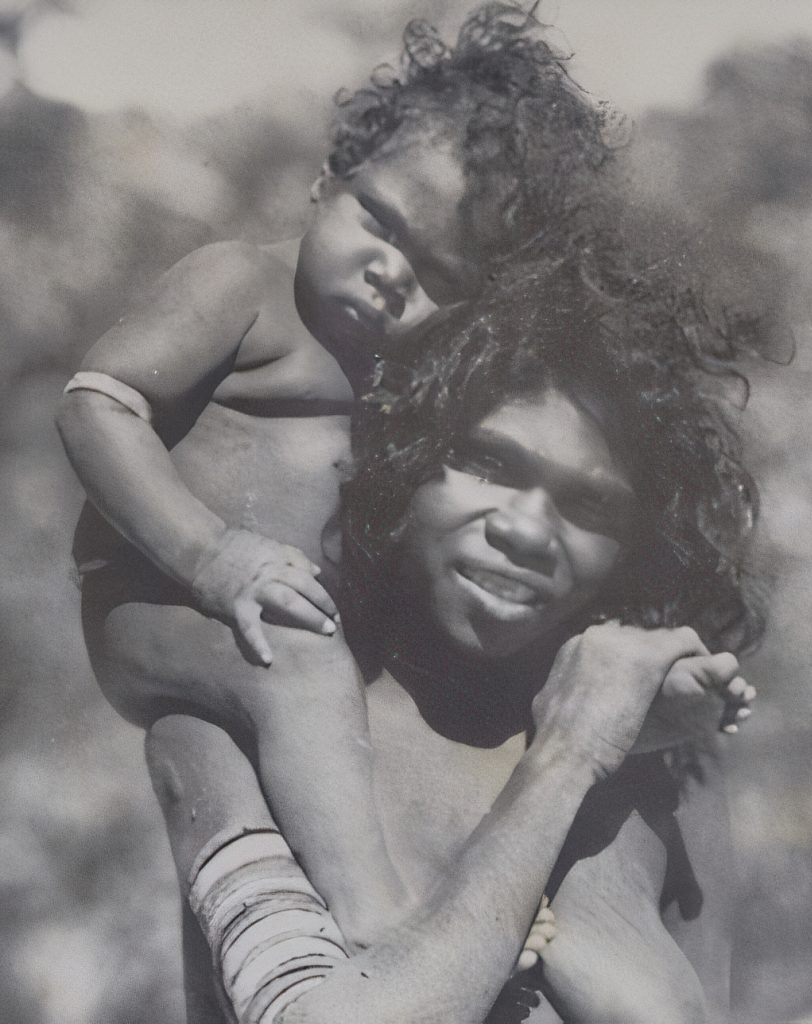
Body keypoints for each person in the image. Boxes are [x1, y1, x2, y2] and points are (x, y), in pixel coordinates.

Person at [55, 2, 625, 947]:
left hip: (278, 632)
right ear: (327, 180)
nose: (391, 274)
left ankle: (450, 891)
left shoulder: (413, 370)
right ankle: (380, 919)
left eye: (441, 273)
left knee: (391, 708)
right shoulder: (241, 287)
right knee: (313, 673)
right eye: (382, 223)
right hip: (154, 598)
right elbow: (96, 402)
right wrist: (212, 558)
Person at [144, 255, 764, 1024]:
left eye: (591, 506)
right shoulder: (238, 720)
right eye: (487, 463)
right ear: (401, 466)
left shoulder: (667, 776)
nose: (526, 530)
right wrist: (565, 759)